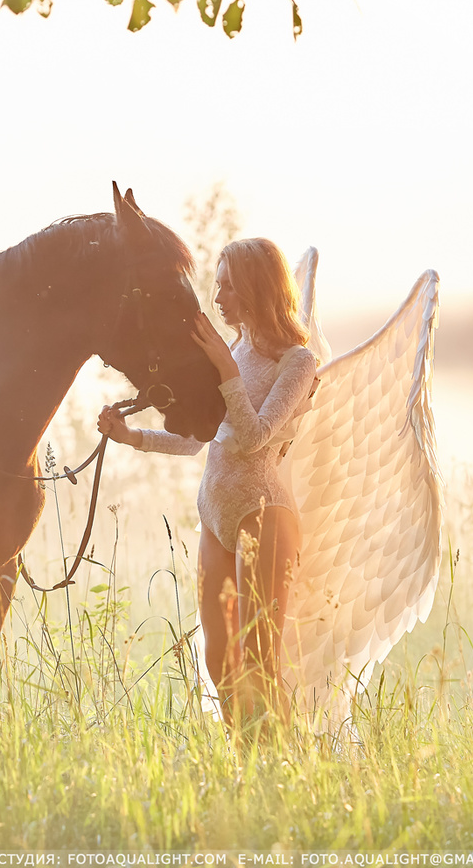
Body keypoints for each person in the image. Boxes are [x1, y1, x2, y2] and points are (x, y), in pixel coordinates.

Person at [98, 237, 319, 726]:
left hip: (263, 513)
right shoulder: (235, 348)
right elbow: (203, 440)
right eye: (216, 286)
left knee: (259, 661)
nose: (216, 298)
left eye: (226, 287)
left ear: (254, 289)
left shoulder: (295, 362)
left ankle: (283, 769)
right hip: (213, 516)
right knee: (219, 662)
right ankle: (245, 764)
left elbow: (255, 437)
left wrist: (224, 370)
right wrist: (130, 436)